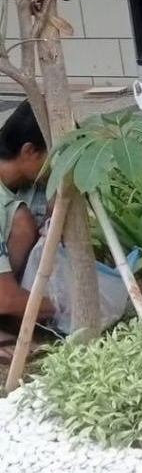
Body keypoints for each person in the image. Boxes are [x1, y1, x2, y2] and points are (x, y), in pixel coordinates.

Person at [0, 99, 55, 323]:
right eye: (58, 157)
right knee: (22, 221)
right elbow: (5, 299)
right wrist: (62, 308)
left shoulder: (34, 182)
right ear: (29, 151)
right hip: (4, 296)